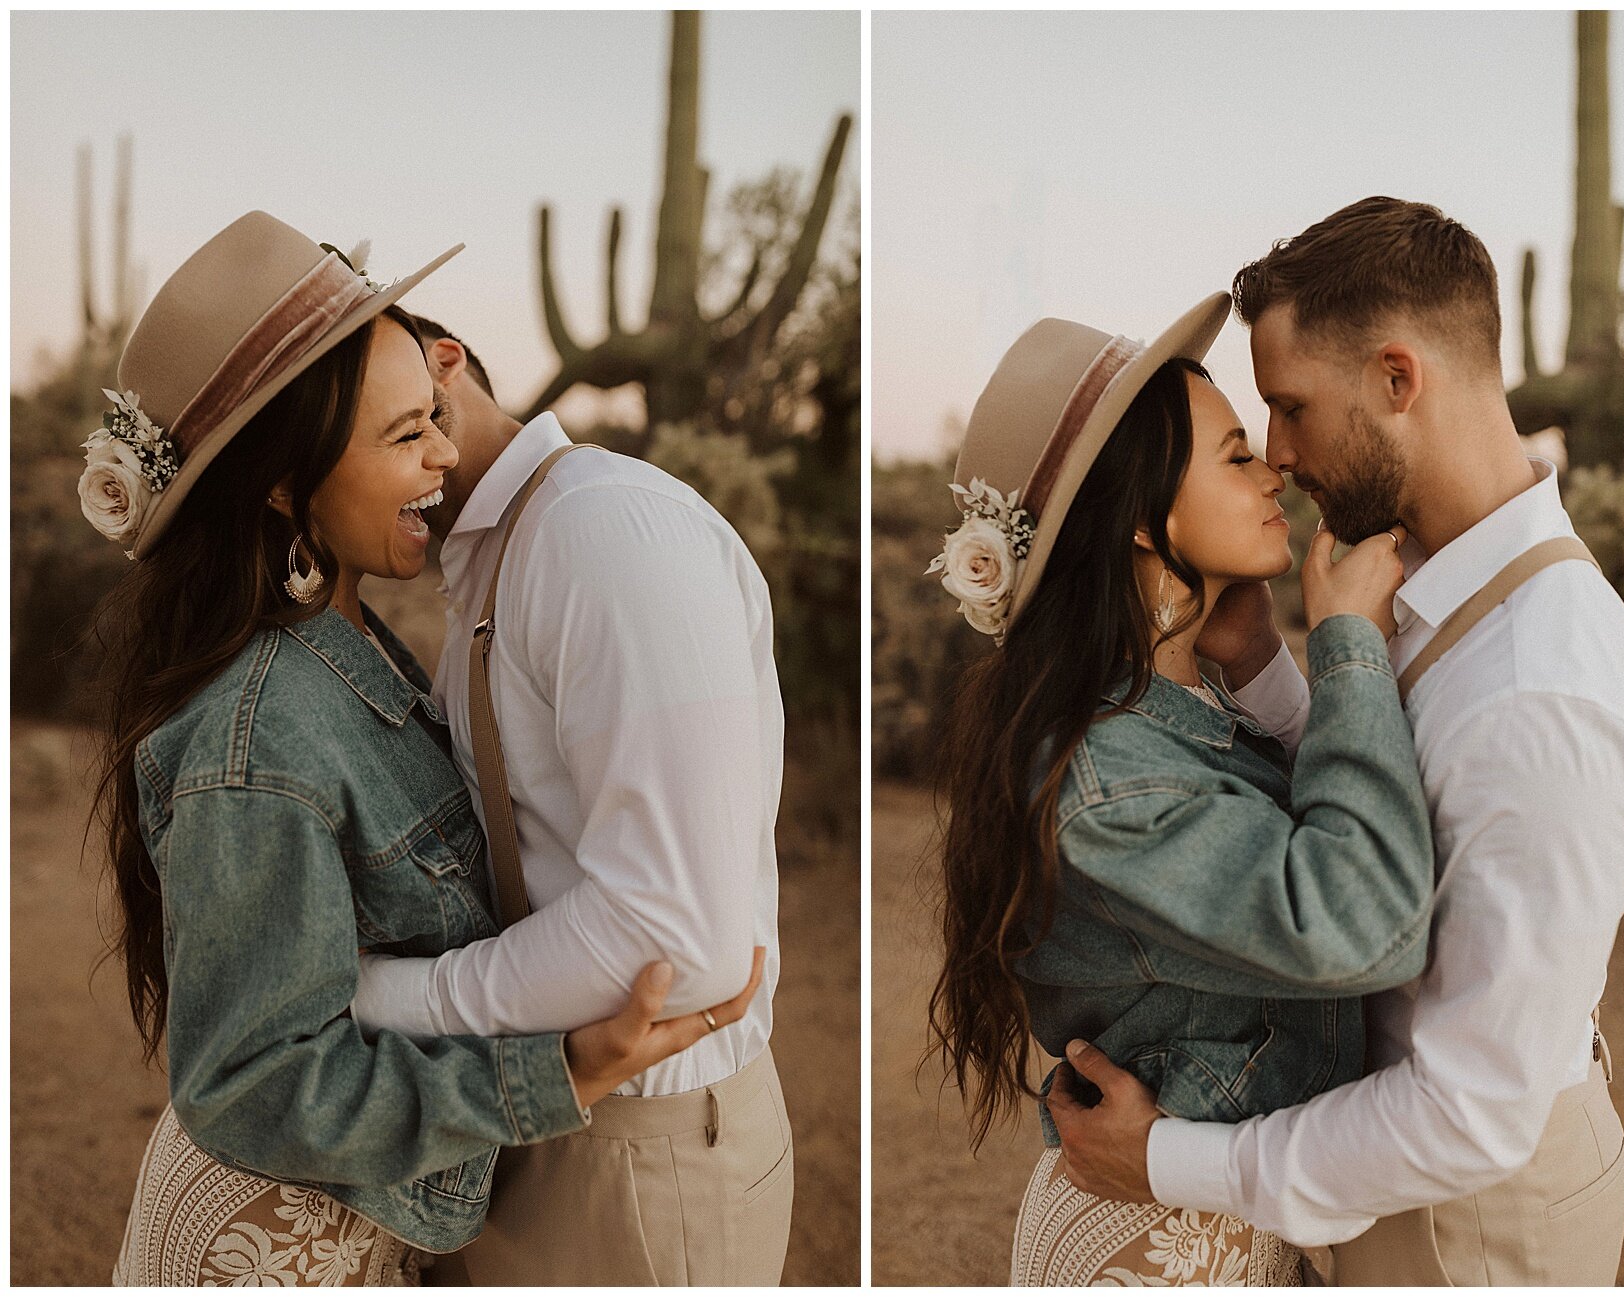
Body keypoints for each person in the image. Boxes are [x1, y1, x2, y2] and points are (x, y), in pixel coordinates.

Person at [90, 211, 760, 1286]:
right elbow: (252, 1079)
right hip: (271, 1246)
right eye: (404, 436)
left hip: (358, 1225)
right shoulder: (259, 724)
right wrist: (556, 1073)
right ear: (278, 484)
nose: (447, 453)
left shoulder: (352, 646)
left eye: (432, 415)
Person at [1051, 199, 1624, 1286]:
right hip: (1378, 1183)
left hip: (1465, 1229)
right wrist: (1266, 670)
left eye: (1289, 407)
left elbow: (1468, 1111)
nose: (1277, 455)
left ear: (1397, 378)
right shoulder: (1430, 589)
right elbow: (1371, 819)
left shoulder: (1545, 693)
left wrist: (1166, 1158)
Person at [924, 294, 1439, 1286]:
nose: (1274, 473)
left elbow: (1306, 842)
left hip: (1210, 1218)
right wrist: (1346, 645)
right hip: (1157, 1249)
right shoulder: (1108, 778)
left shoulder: (1180, 710)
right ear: (1146, 517)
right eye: (1237, 455)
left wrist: (1256, 658)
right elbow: (1363, 919)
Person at [341, 312, 792, 1285]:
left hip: (641, 1149)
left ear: (440, 367)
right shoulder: (504, 552)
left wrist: (384, 996)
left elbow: (674, 938)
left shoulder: (601, 531)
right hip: (548, 1105)